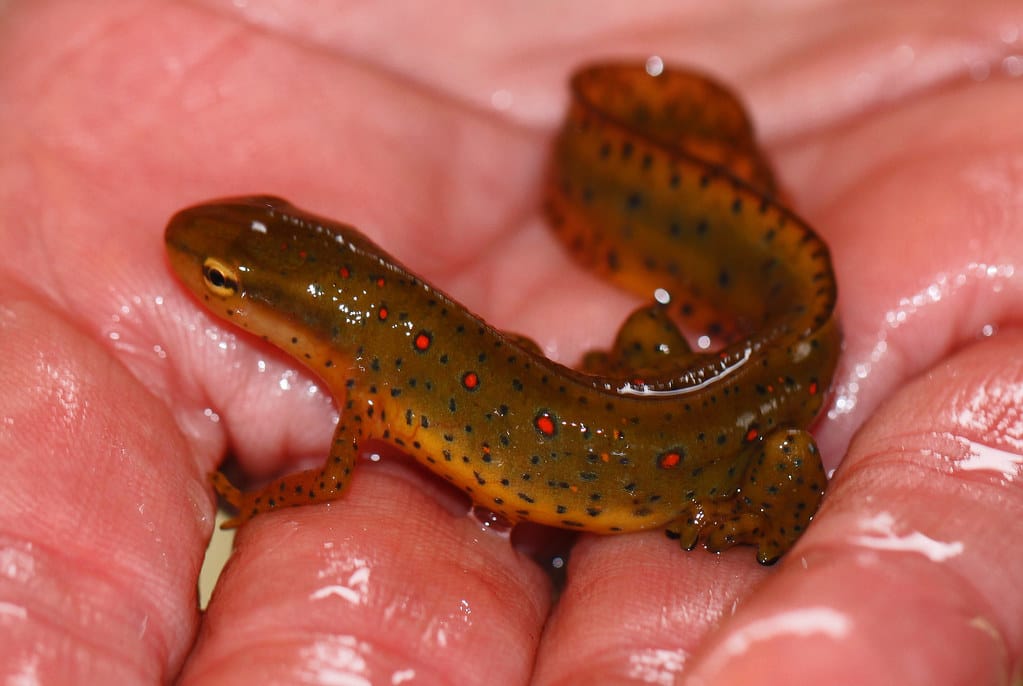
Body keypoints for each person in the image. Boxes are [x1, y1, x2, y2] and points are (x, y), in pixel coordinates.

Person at [2, 2, 1021, 683]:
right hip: (669, 392)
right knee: (647, 357)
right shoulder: (373, 368)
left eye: (224, 289)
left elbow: (321, 484)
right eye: (227, 286)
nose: (213, 295)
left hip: (725, 417)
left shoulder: (367, 388)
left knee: (773, 450)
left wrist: (256, 495)